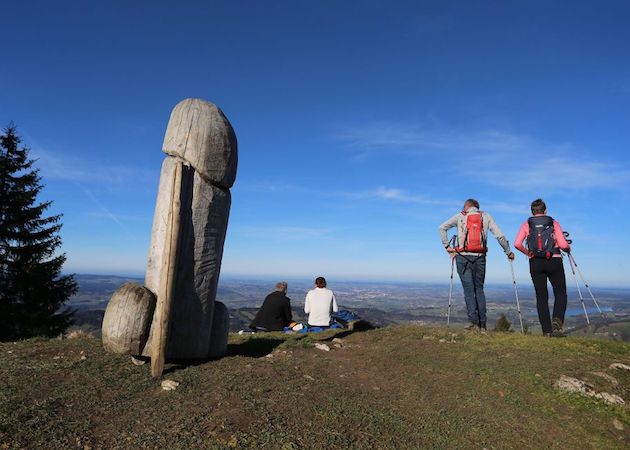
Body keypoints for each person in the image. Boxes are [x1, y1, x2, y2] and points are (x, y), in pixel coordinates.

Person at [439, 198, 515, 331]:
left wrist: (447, 247)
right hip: (480, 258)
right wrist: (508, 252)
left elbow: (442, 228)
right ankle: (483, 325)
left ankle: (473, 322)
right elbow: (500, 235)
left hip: (463, 258)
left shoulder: (460, 216)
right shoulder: (485, 216)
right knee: (479, 290)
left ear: (466, 207)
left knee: (468, 291)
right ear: (477, 207)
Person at [514, 198, 571, 337]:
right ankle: (557, 321)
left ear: (532, 212)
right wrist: (568, 248)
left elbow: (517, 244)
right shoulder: (553, 223)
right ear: (545, 210)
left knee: (541, 297)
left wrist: (528, 253)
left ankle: (546, 331)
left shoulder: (527, 224)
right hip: (554, 260)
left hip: (535, 262)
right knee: (560, 293)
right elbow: (563, 245)